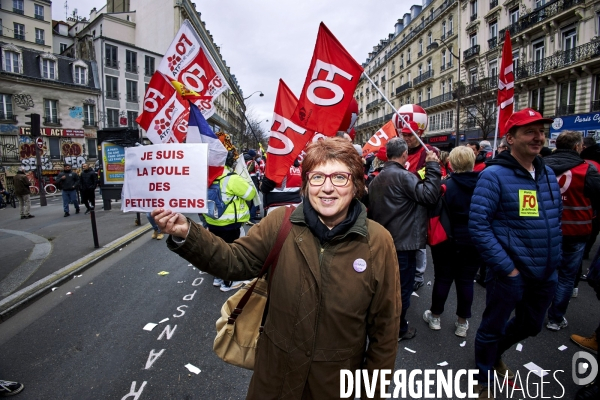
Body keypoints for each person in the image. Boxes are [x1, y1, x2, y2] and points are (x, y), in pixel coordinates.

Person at [153, 137, 400, 398]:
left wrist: (371, 392)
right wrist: (187, 232)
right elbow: (233, 260)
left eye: (339, 177)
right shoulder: (280, 224)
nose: (327, 188)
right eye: (317, 177)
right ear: (306, 185)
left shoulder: (378, 241)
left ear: (356, 184)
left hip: (336, 386)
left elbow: (385, 330)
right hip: (274, 381)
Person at [469, 108, 561, 398]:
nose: (538, 137)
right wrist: (508, 269)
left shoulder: (546, 172)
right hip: (511, 274)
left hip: (545, 272)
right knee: (492, 326)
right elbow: (479, 226)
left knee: (532, 325)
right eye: (530, 131)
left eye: (541, 131)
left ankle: (495, 354)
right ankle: (483, 374)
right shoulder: (493, 175)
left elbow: (554, 217)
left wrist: (554, 262)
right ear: (510, 138)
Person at [368, 136, 441, 341]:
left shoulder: (377, 178)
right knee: (402, 290)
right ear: (403, 155)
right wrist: (433, 166)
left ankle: (388, 325)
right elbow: (429, 195)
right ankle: (398, 329)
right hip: (403, 243)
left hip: (386, 241)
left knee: (388, 288)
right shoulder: (403, 176)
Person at [544, 131, 600, 330]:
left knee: (544, 270)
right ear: (578, 147)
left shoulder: (542, 166)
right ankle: (555, 318)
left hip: (548, 228)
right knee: (567, 276)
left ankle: (536, 309)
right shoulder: (588, 170)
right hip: (577, 229)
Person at [424, 146, 481, 337]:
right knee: (466, 282)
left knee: (443, 278)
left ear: (452, 163)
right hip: (473, 240)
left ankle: (435, 317)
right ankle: (462, 323)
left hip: (446, 239)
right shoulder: (483, 186)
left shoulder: (445, 186)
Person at [206, 150, 257, 292]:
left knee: (217, 250)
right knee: (231, 252)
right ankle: (228, 282)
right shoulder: (232, 178)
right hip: (230, 224)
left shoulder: (207, 177)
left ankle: (218, 278)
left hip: (213, 221)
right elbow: (250, 194)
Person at [400, 120, 442, 291]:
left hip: (419, 200)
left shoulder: (428, 152)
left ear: (419, 134)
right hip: (403, 200)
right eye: (404, 134)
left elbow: (433, 173)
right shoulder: (403, 151)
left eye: (410, 134)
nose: (407, 137)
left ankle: (418, 274)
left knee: (419, 240)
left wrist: (410, 178)